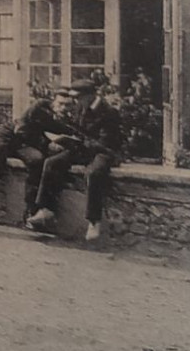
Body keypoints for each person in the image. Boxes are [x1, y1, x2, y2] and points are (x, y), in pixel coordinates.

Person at [0, 87, 77, 235]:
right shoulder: (39, 106)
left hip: (23, 144)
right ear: (53, 101)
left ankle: (30, 215)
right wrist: (46, 143)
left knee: (38, 161)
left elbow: (70, 132)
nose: (63, 108)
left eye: (67, 105)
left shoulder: (63, 117)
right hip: (6, 135)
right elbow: (21, 130)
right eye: (61, 103)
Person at [28, 78, 122, 243]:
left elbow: (106, 142)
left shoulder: (109, 112)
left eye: (78, 97)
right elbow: (78, 130)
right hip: (83, 148)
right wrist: (67, 138)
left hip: (103, 152)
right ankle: (46, 209)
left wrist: (81, 143)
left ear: (90, 96)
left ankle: (94, 221)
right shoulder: (81, 107)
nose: (75, 101)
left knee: (94, 173)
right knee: (52, 163)